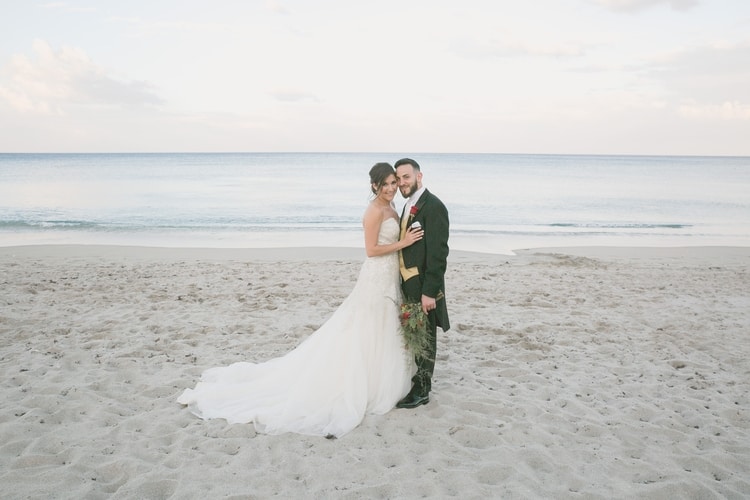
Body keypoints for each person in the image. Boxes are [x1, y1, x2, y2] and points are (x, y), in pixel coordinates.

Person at [177, 163, 424, 438]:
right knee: (366, 326)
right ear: (374, 186)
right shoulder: (374, 211)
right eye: (385, 184)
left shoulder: (392, 208)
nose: (391, 188)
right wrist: (403, 243)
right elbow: (371, 249)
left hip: (390, 276)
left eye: (393, 183)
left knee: (383, 326)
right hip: (376, 276)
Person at [394, 158, 450, 409]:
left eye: (406, 177)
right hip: (408, 283)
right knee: (415, 333)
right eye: (399, 178)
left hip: (423, 286)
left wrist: (430, 292)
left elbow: (438, 255)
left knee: (425, 336)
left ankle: (423, 389)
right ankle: (417, 380)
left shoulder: (434, 206)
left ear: (419, 176)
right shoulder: (408, 205)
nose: (402, 182)